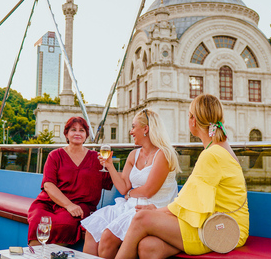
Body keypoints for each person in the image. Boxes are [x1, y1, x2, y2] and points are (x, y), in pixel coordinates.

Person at [115, 94, 249, 259]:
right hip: (220, 223)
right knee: (148, 247)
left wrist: (158, 211)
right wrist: (160, 212)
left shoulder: (212, 155)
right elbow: (191, 201)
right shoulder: (219, 148)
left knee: (141, 218)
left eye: (188, 116)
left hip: (221, 229)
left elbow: (188, 202)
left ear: (193, 121)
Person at [82, 109, 180, 259]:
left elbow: (148, 191)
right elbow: (123, 188)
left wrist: (130, 194)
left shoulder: (163, 154)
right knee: (94, 226)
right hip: (130, 205)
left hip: (151, 208)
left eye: (134, 127)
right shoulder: (133, 155)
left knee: (107, 237)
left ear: (146, 129)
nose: (131, 131)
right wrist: (109, 166)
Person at [27, 117, 113, 246]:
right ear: (66, 134)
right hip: (49, 203)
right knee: (39, 222)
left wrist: (130, 185)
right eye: (73, 130)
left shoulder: (97, 159)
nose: (77, 133)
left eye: (82, 130)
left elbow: (111, 181)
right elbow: (48, 185)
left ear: (86, 135)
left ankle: (53, 255)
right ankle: (35, 255)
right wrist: (68, 205)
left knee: (65, 223)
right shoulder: (55, 155)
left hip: (80, 205)